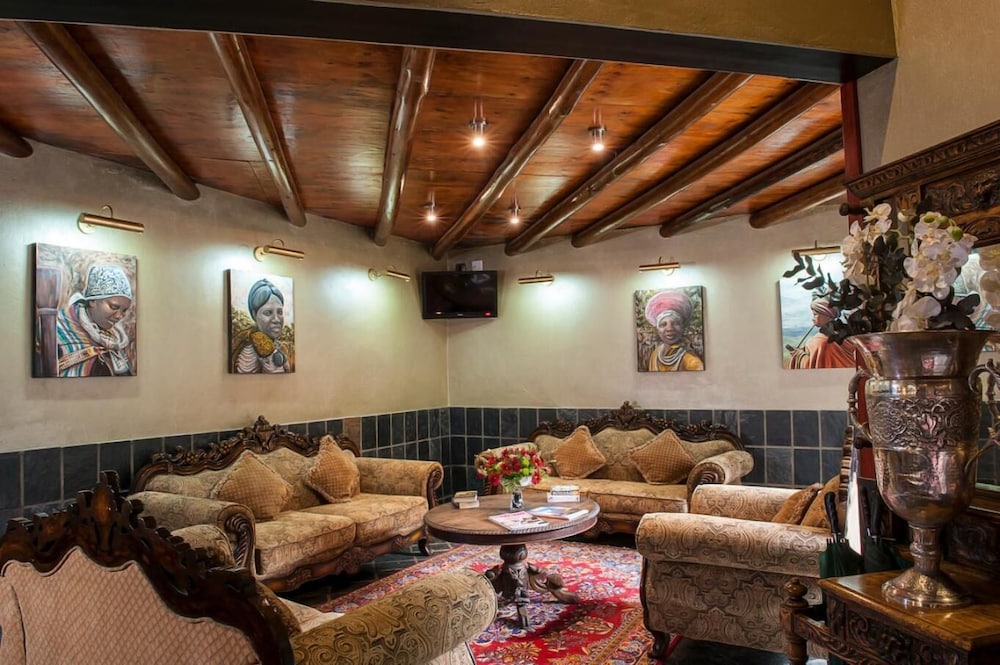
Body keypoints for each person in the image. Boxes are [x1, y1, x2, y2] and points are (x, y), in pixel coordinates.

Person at [54, 264, 135, 377]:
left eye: (124, 310)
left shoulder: (116, 339)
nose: (119, 316)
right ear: (92, 301)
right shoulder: (58, 329)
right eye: (114, 307)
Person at [231, 278, 293, 373]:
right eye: (268, 312)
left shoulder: (285, 349)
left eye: (280, 312)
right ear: (254, 315)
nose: (276, 319)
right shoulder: (243, 350)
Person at [642, 290, 704, 371]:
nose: (670, 329)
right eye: (663, 324)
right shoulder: (655, 354)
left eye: (675, 323)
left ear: (682, 327)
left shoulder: (692, 361)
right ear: (657, 329)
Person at [788, 297, 856, 369]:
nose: (813, 319)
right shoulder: (843, 334)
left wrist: (799, 355)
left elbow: (811, 367)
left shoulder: (819, 341)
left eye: (815, 314)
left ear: (827, 315)